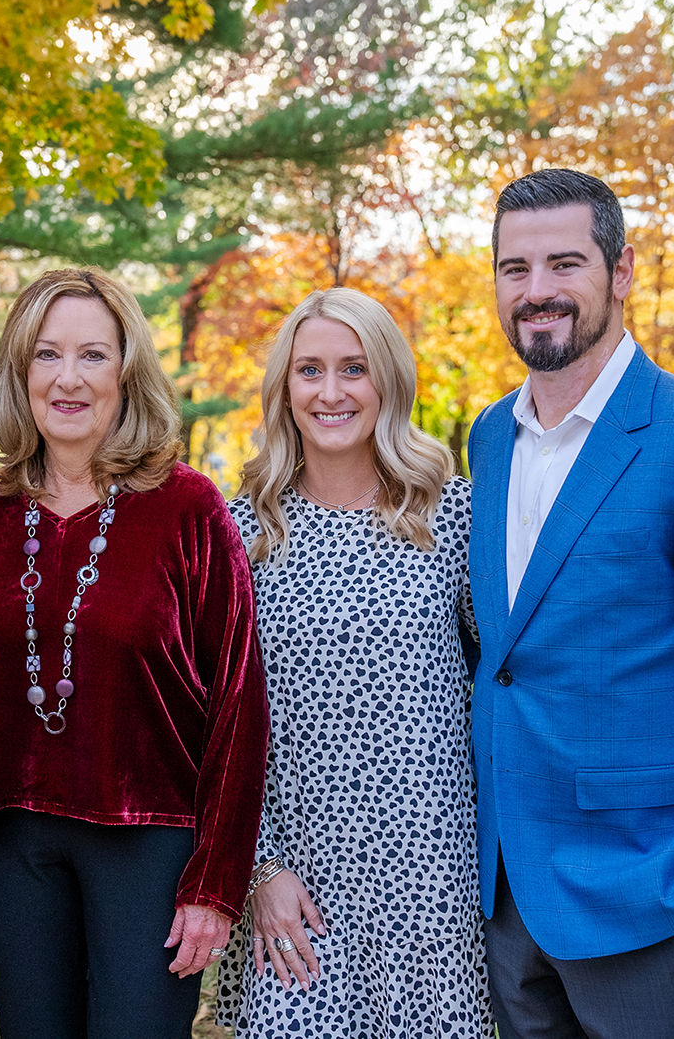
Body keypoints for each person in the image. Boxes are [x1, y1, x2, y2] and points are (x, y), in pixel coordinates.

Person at [467, 167, 674, 1038]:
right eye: (515, 269)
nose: (537, 291)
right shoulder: (490, 437)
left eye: (563, 263)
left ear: (621, 272)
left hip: (653, 895)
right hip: (510, 894)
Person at [0, 267, 269, 1039]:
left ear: (127, 371)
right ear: (20, 372)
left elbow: (240, 701)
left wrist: (214, 880)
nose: (68, 378)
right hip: (10, 834)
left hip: (150, 840)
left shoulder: (187, 507)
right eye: (46, 355)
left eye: (93, 355)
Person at [213, 288, 494, 1038]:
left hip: (432, 879)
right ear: (284, 388)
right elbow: (215, 721)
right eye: (309, 370)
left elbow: (506, 685)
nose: (331, 392)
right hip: (295, 883)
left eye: (354, 369)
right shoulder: (241, 530)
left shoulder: (455, 515)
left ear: (389, 383)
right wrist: (259, 871)